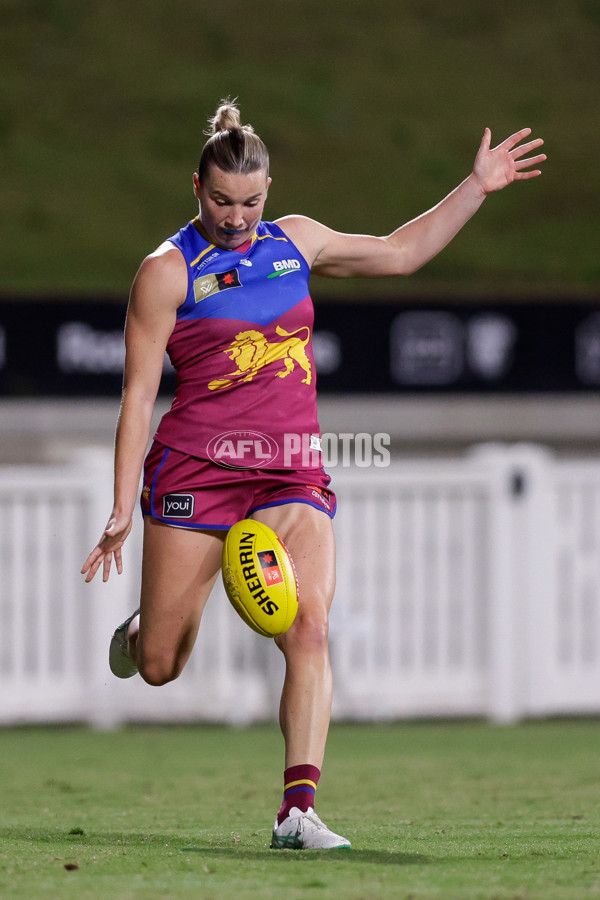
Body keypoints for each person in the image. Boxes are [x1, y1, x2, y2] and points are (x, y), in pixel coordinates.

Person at [82, 99, 545, 850]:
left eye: (252, 201)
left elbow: (399, 253)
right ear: (195, 187)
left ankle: (296, 813)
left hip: (291, 470)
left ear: (270, 193)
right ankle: (137, 635)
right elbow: (138, 396)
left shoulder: (295, 242)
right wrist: (119, 509)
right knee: (164, 664)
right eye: (223, 201)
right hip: (197, 468)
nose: (238, 217)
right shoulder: (166, 273)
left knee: (310, 626)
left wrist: (476, 186)